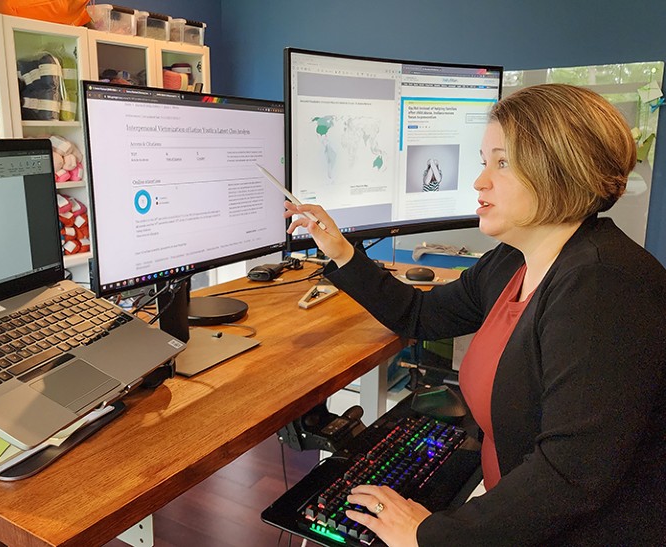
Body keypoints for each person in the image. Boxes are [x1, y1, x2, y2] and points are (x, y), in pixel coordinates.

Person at [284, 83, 666, 546]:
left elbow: (571, 476)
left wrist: (428, 536)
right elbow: (419, 314)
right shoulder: (513, 260)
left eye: (501, 163)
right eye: (485, 161)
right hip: (515, 500)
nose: (479, 181)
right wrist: (343, 252)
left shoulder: (605, 286)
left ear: (560, 171)